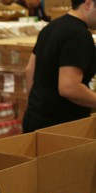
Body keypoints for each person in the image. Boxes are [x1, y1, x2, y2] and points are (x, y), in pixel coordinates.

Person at [23, 0, 96, 133]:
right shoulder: (79, 35)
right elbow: (69, 87)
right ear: (88, 4)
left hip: (34, 120)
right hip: (60, 127)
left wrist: (36, 106)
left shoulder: (51, 27)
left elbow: (29, 71)